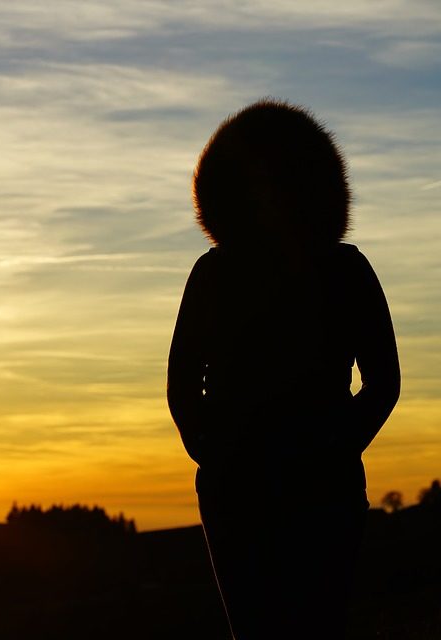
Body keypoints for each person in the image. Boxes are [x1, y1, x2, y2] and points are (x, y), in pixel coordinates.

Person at [167, 99, 401, 639]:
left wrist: (335, 449)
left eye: (280, 179)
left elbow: (384, 382)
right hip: (240, 487)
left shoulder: (343, 271)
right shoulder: (215, 274)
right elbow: (182, 382)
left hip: (317, 486)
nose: (269, 196)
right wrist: (213, 450)